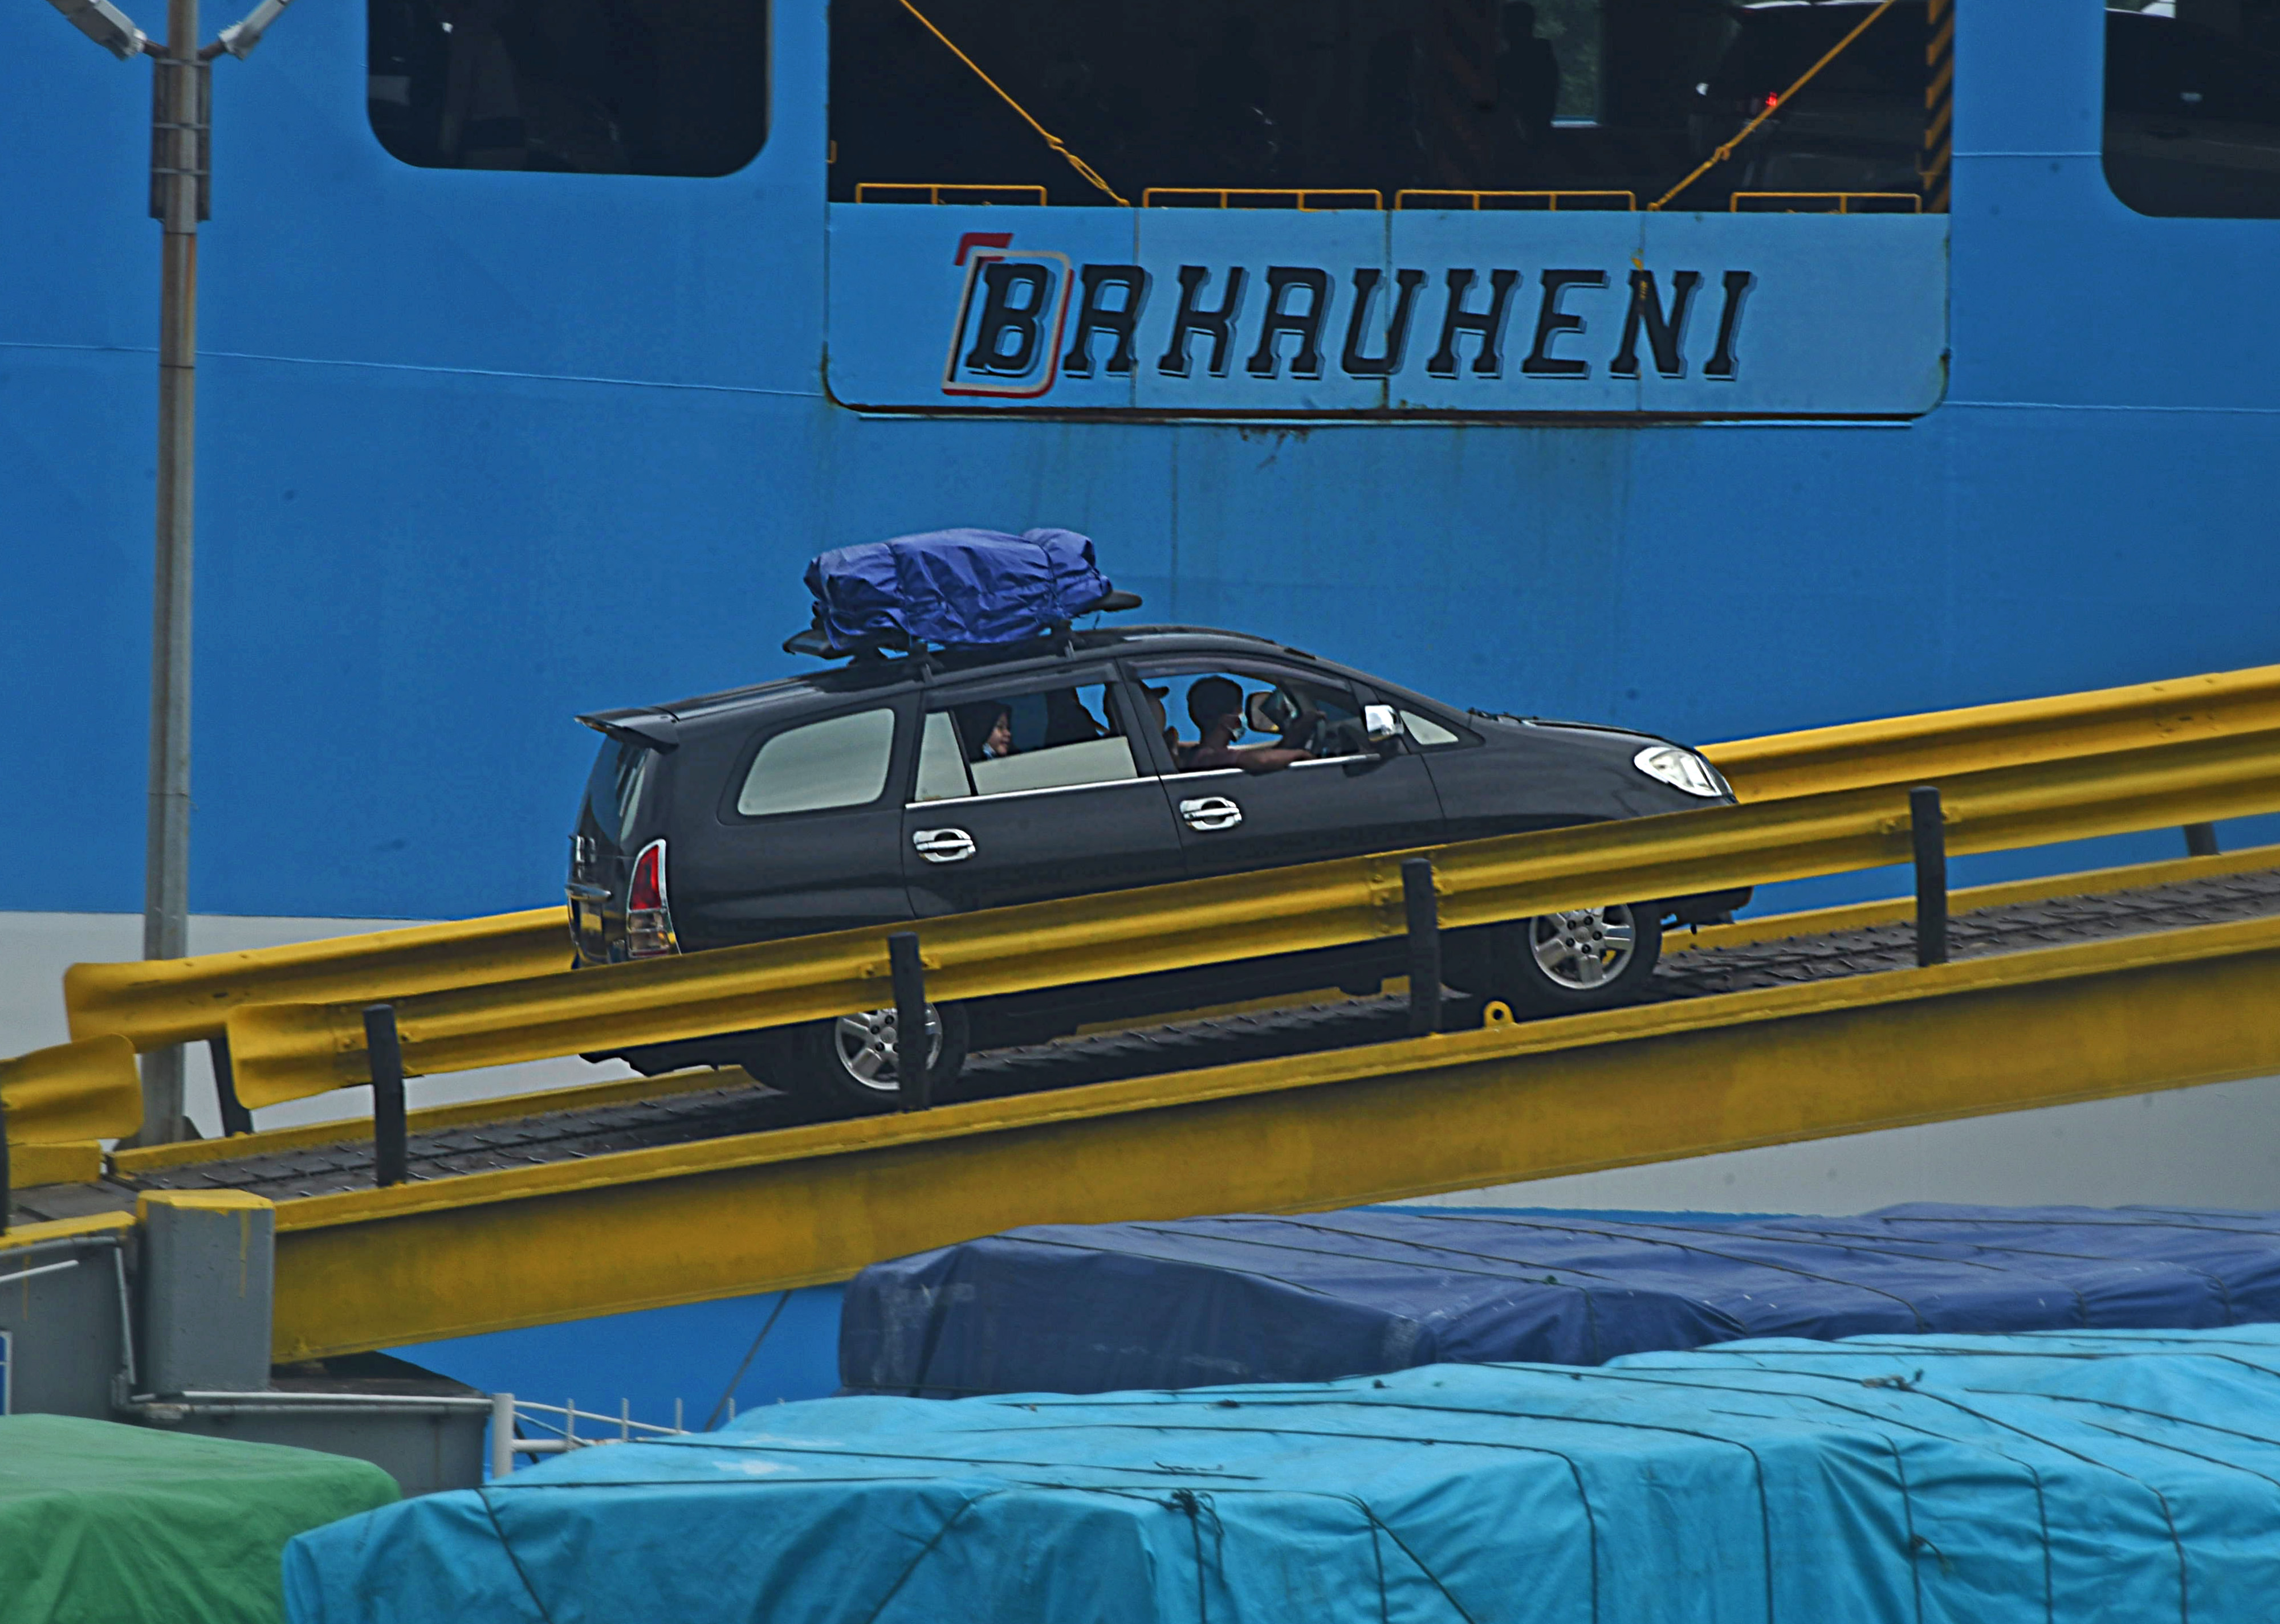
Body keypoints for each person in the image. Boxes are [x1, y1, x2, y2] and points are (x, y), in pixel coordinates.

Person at [1180, 676, 1314, 774]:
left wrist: (1289, 741)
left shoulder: (1192, 753)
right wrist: (1301, 754)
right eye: (1239, 711)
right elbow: (1260, 760)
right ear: (1228, 719)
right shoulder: (1208, 757)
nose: (1242, 716)